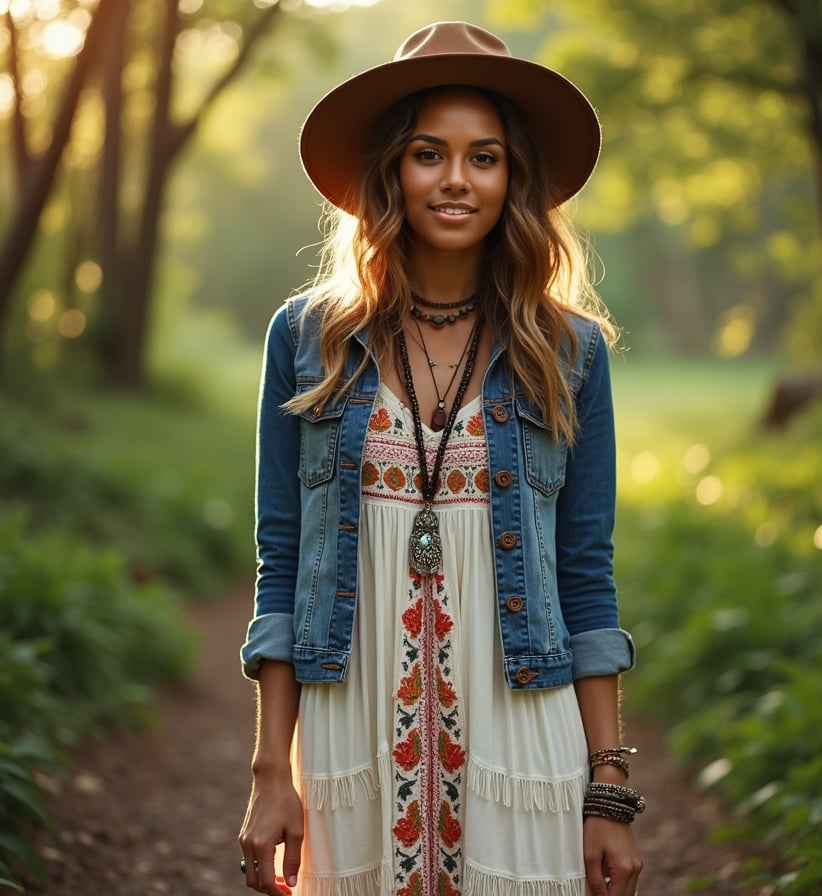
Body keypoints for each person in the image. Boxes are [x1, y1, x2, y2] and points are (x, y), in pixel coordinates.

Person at [238, 20, 643, 896]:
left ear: (514, 178)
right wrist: (274, 772)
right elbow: (283, 563)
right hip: (351, 727)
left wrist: (608, 788)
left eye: (484, 157)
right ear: (392, 169)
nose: (456, 179)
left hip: (523, 728)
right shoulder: (307, 340)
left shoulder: (568, 351)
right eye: (430, 153)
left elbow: (585, 572)